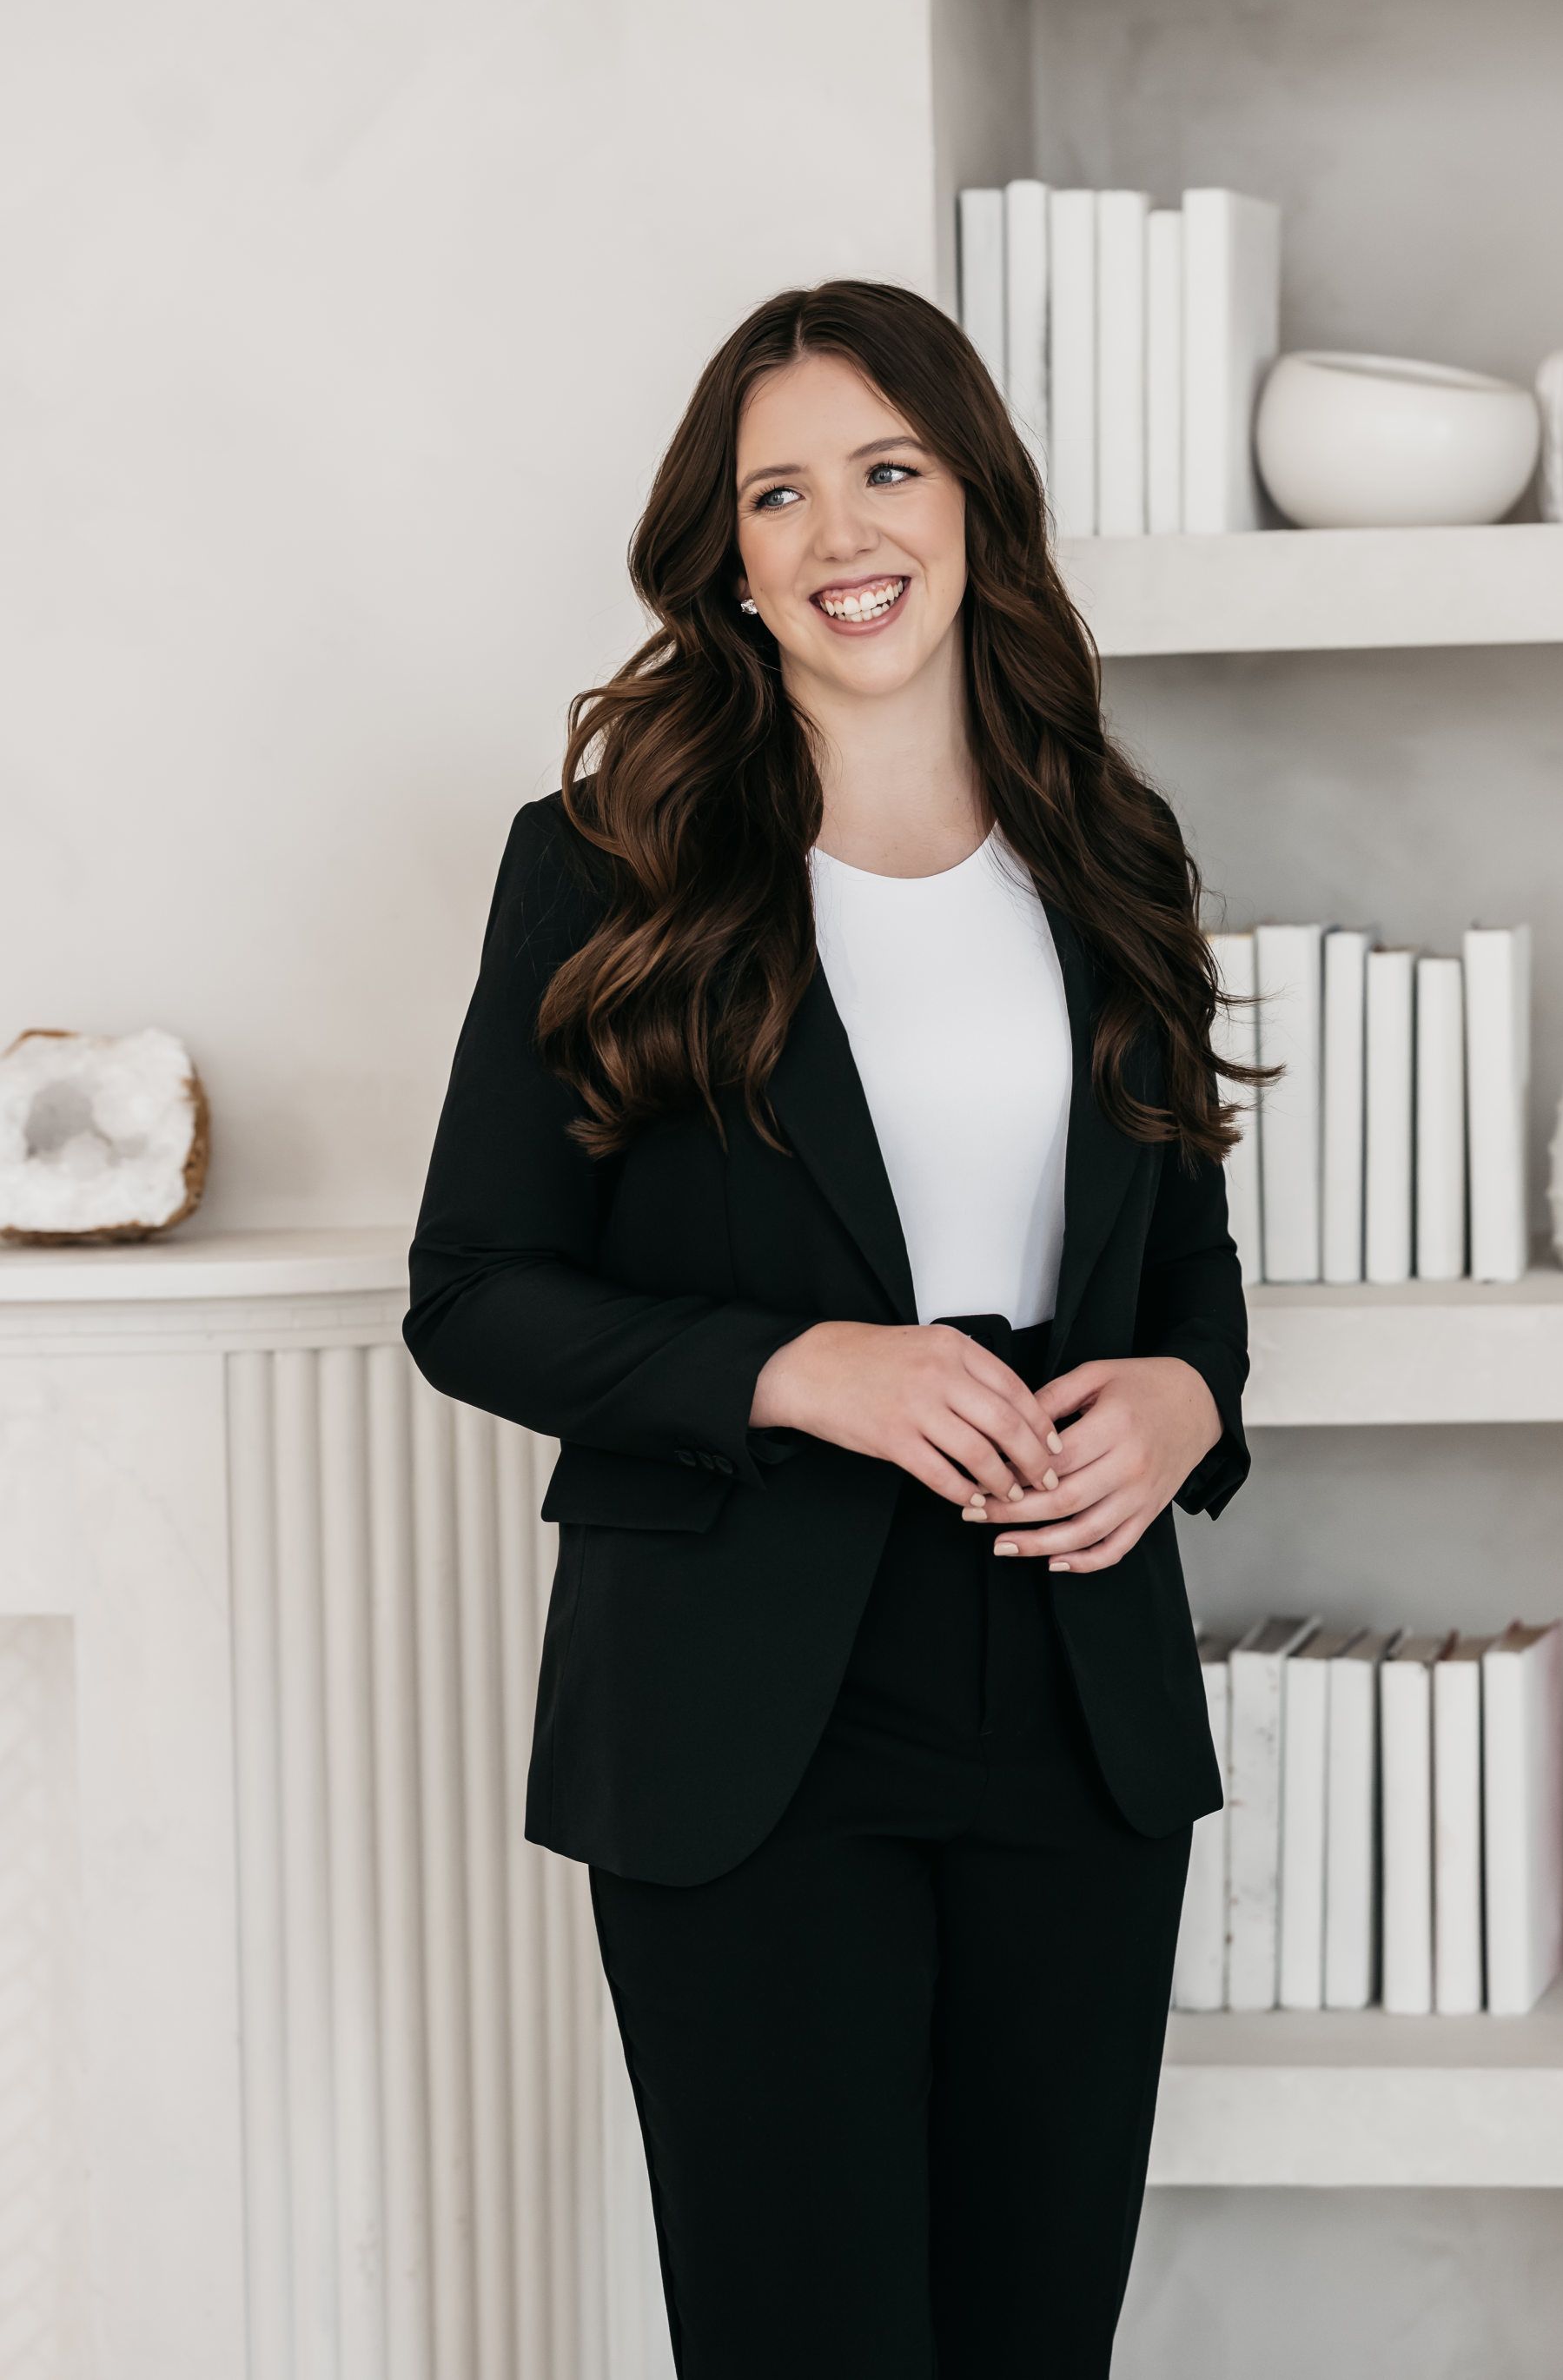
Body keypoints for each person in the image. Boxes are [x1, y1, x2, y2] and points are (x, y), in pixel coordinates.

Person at [402, 278, 1268, 2379]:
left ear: (972, 497)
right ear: (730, 557)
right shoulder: (604, 866)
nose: (839, 530)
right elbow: (473, 1293)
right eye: (776, 493)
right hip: (744, 1712)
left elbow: (1183, 1277)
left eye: (885, 467)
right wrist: (793, 1368)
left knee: (1031, 2336)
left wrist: (1185, 1400)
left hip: (1071, 1688)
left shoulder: (1112, 851)